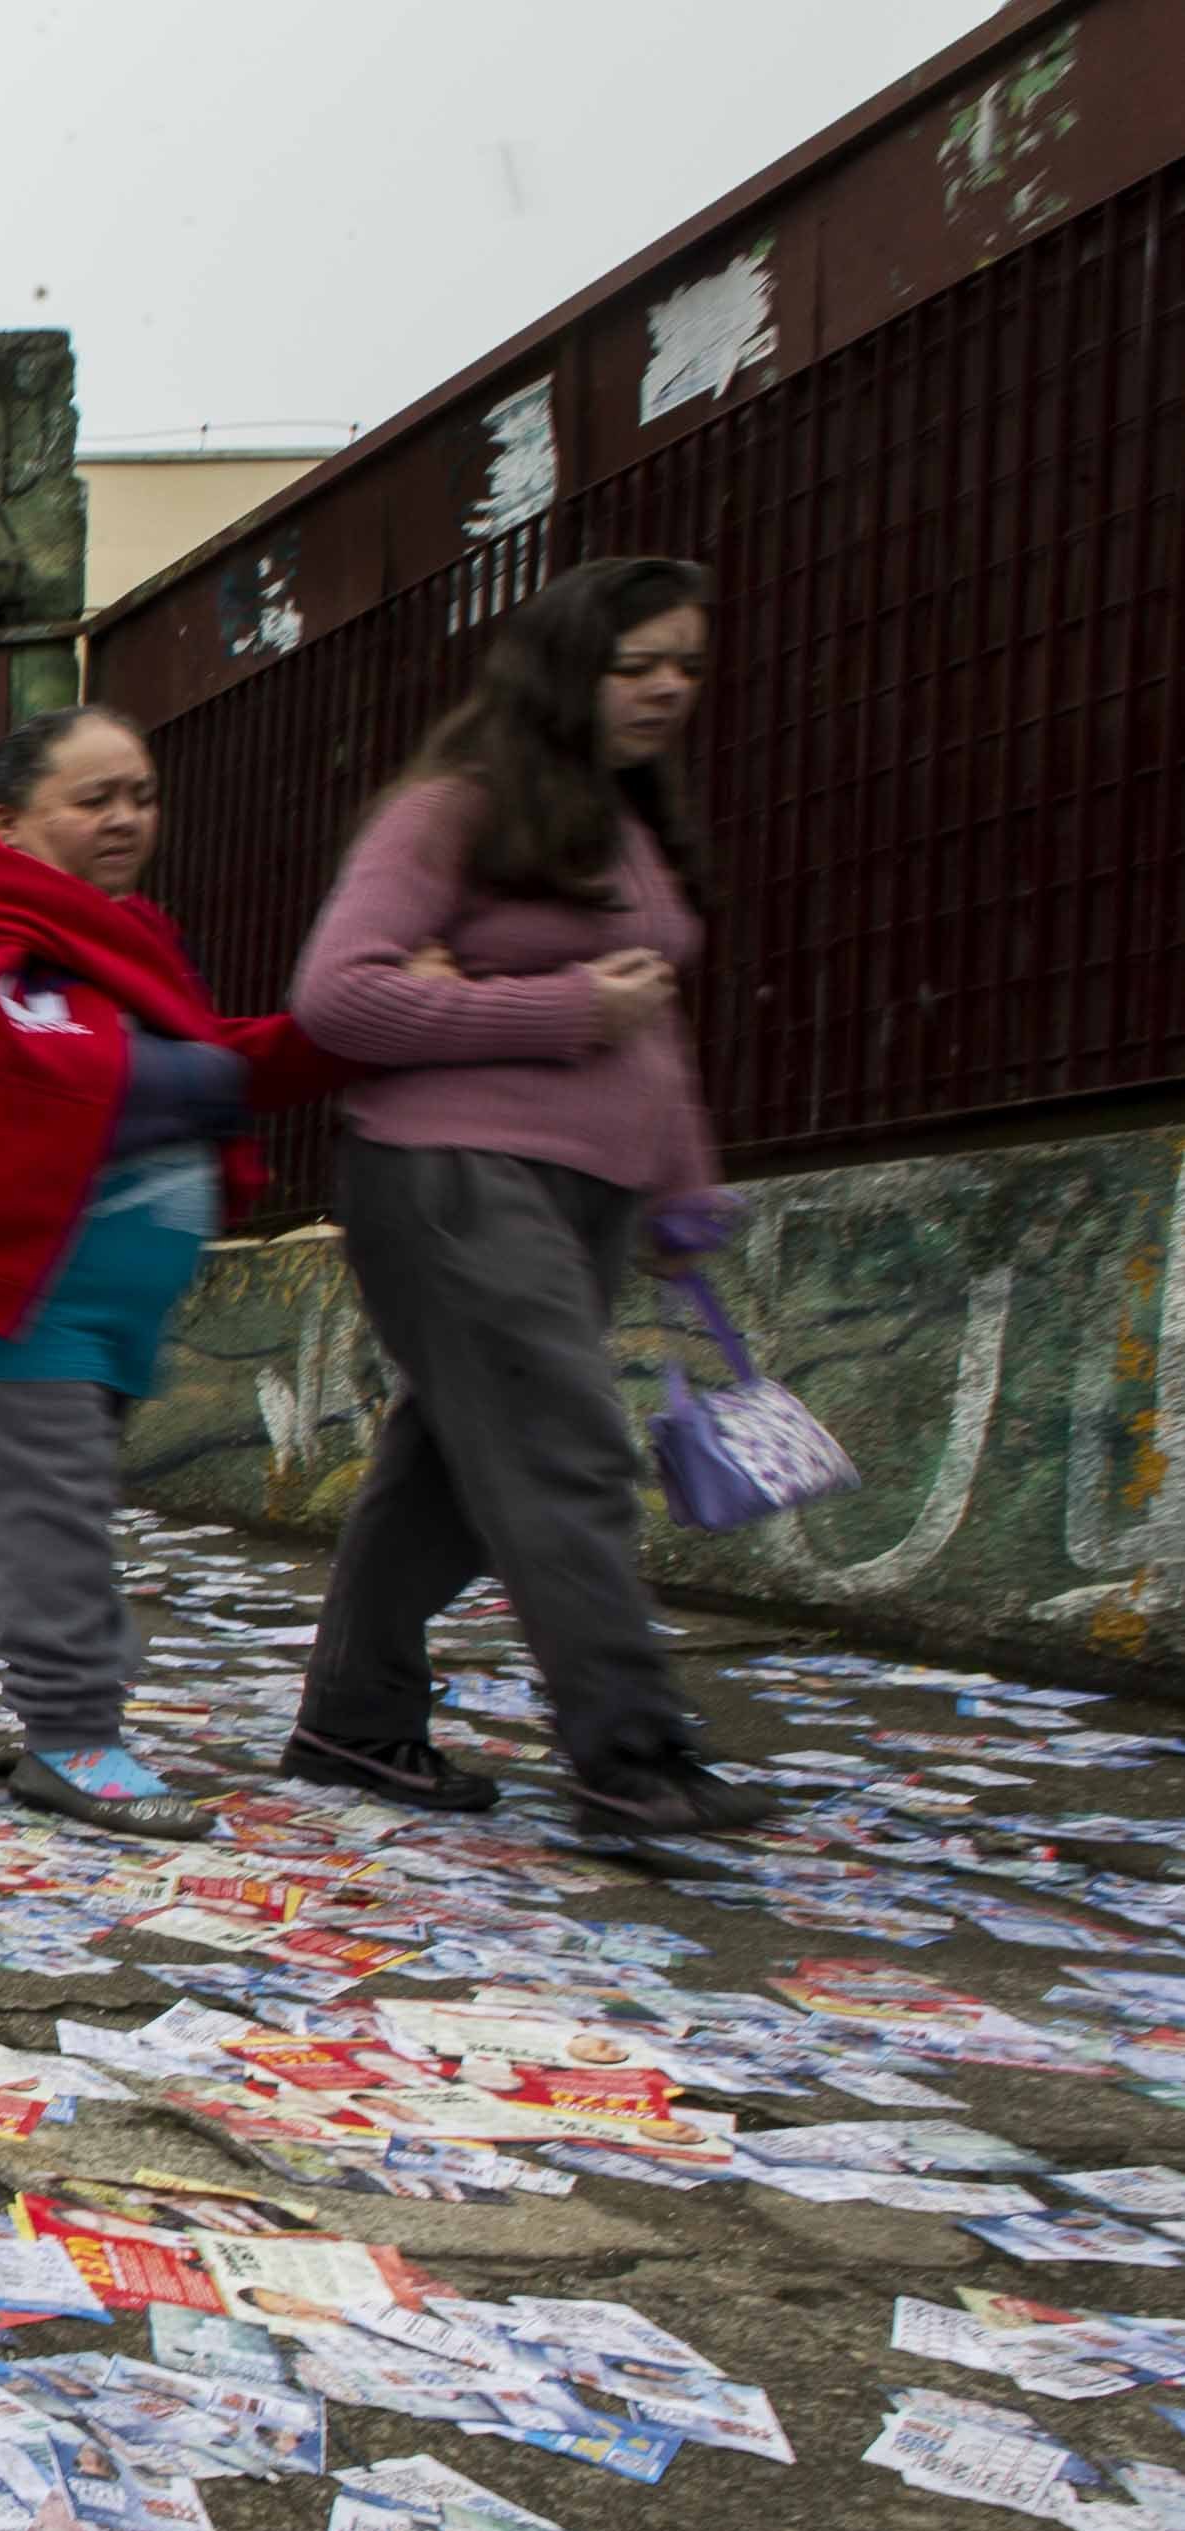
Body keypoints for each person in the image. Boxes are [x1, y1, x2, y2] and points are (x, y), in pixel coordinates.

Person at [282, 555, 773, 1836]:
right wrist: (563, 1006)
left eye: (684, 663)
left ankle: (351, 1716)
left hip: (590, 1190)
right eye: (634, 664)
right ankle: (626, 1747)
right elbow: (336, 996)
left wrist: (680, 1182)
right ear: (564, 670)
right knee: (564, 1447)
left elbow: (646, 1024)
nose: (667, 687)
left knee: (445, 1471)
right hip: (450, 1173)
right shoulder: (449, 810)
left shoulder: (621, 823)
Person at [0, 704, 340, 1841]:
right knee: (45, 1508)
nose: (125, 818)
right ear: (7, 819)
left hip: (71, 1295)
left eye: (139, 793)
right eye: (92, 799)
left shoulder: (108, 933)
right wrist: (193, 1082)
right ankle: (71, 1730)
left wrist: (329, 1039)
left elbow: (187, 1055)